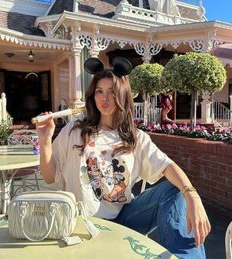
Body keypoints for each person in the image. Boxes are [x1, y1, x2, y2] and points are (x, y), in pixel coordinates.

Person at [35, 57, 210, 259]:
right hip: (82, 224)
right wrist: (45, 140)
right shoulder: (75, 130)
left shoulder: (136, 138)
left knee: (175, 189)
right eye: (99, 91)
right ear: (92, 96)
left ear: (123, 95)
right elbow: (49, 177)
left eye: (112, 92)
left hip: (123, 219)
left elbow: (168, 166)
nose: (104, 99)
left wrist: (192, 196)